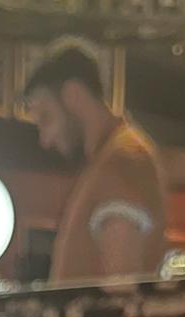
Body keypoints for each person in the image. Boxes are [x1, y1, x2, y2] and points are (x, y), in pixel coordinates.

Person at [23, 47, 167, 283]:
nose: (45, 140)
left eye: (46, 118)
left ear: (74, 95)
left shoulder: (122, 161)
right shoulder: (105, 161)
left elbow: (121, 287)